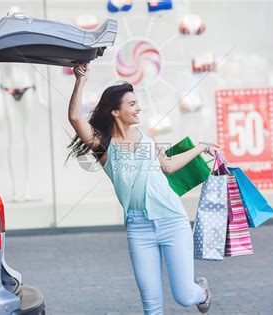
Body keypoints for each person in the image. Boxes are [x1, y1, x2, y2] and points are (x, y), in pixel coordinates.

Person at [66, 62, 219, 314]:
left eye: (138, 103)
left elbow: (168, 166)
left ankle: (201, 292)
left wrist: (202, 147)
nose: (139, 108)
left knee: (183, 295)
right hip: (139, 228)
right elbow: (74, 117)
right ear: (116, 112)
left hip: (172, 221)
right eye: (133, 104)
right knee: (151, 306)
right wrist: (80, 80)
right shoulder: (103, 145)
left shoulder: (145, 138)